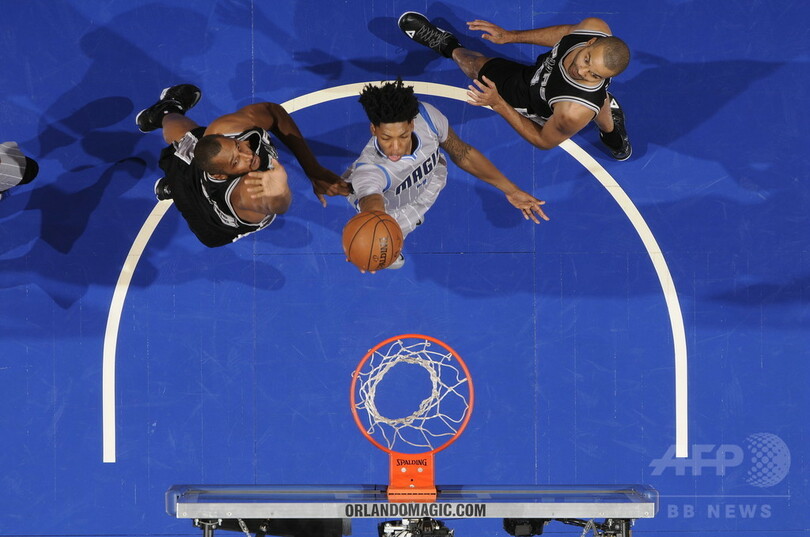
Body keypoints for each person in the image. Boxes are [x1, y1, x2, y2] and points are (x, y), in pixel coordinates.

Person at [344, 78, 549, 272]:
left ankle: (412, 218)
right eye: (386, 138)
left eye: (403, 136)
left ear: (412, 125)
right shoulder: (370, 170)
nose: (395, 147)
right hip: (392, 208)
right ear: (373, 129)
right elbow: (372, 204)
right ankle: (399, 234)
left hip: (428, 181)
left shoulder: (427, 118)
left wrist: (511, 190)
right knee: (390, 229)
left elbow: (462, 153)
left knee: (424, 197)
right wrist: (372, 239)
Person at [397, 12, 633, 160]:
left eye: (594, 75)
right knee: (599, 100)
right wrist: (511, 36)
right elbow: (566, 34)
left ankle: (612, 135)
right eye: (587, 60)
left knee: (476, 68)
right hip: (541, 77)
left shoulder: (572, 110)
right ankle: (447, 44)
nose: (581, 71)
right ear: (591, 41)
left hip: (537, 99)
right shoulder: (594, 26)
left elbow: (543, 141)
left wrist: (499, 103)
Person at [136, 84, 348, 248]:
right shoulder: (246, 190)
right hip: (213, 224)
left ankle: (165, 114)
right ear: (221, 176)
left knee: (191, 138)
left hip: (208, 170)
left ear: (227, 137)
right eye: (236, 162)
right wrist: (280, 190)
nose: (248, 155)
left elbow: (273, 113)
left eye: (238, 146)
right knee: (180, 167)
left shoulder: (226, 129)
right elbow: (275, 204)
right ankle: (167, 120)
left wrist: (313, 169)